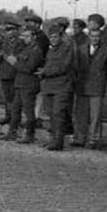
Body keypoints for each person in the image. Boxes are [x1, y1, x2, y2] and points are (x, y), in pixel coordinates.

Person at [72, 16, 107, 148]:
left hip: (97, 86)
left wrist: (100, 79)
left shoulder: (106, 51)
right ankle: (79, 138)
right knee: (81, 114)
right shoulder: (81, 49)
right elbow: (76, 67)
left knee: (95, 115)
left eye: (97, 37)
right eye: (92, 36)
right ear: (88, 36)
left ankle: (93, 139)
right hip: (82, 85)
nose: (95, 39)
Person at [39, 19, 76, 150]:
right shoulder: (51, 50)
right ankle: (53, 139)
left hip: (61, 86)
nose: (53, 39)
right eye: (51, 37)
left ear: (60, 37)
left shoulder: (66, 48)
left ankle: (58, 142)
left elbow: (64, 67)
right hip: (49, 86)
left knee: (58, 113)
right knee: (50, 113)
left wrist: (45, 72)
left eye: (55, 37)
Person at [1, 28, 43, 143]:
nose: (25, 39)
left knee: (28, 110)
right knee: (15, 109)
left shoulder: (35, 50)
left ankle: (30, 134)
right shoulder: (26, 49)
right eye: (23, 36)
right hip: (20, 82)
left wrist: (15, 63)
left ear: (34, 37)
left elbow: (29, 68)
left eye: (27, 36)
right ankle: (12, 132)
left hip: (29, 83)